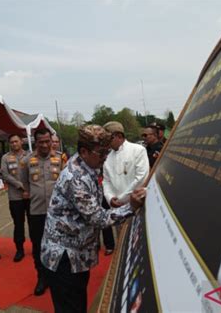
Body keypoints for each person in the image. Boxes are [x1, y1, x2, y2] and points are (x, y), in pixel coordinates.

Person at [41, 125, 147, 313]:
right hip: (64, 258)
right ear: (83, 151)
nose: (106, 156)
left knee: (78, 302)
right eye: (101, 153)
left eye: (107, 151)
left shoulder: (88, 164)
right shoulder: (76, 178)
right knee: (71, 307)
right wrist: (131, 206)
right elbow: (98, 218)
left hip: (77, 254)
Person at [21, 128, 65, 296]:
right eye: (41, 142)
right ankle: (42, 278)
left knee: (59, 244)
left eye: (48, 141)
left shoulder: (60, 158)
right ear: (36, 142)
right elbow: (24, 183)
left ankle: (58, 276)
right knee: (38, 246)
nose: (45, 145)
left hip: (57, 212)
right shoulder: (27, 160)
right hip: (36, 211)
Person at [102, 121, 150, 254]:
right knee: (124, 247)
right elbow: (106, 181)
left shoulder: (138, 150)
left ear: (118, 136)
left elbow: (141, 178)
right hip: (118, 209)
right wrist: (110, 198)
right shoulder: (107, 158)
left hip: (137, 206)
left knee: (141, 248)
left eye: (108, 138)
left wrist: (122, 199)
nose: (106, 142)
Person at [0, 134, 30, 262]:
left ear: (21, 142)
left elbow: (34, 172)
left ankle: (37, 247)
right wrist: (20, 186)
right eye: (11, 142)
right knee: (18, 224)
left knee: (34, 223)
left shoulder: (30, 155)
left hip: (30, 195)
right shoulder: (5, 158)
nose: (14, 144)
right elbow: (5, 175)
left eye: (16, 141)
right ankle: (19, 249)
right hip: (15, 196)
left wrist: (28, 189)